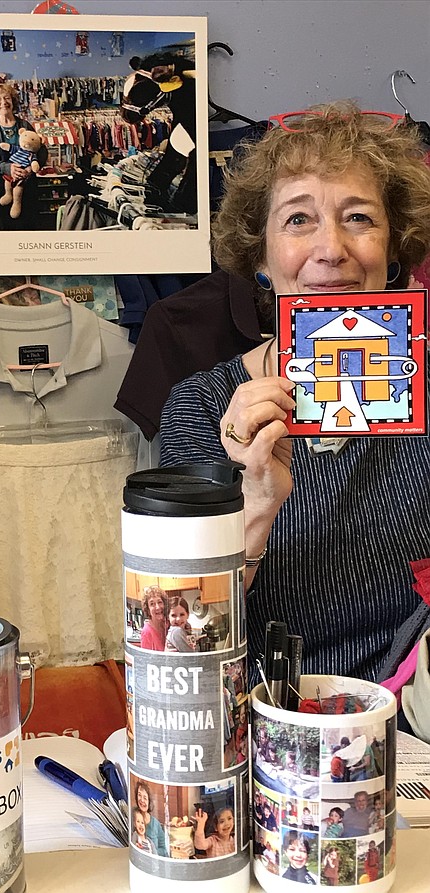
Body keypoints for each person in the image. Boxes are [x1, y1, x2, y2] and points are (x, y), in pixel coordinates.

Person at [159, 101, 430, 684]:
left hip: (411, 716)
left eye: (359, 217)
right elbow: (176, 634)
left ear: (394, 244)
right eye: (299, 220)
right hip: (262, 722)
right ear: (260, 255)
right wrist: (253, 505)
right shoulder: (202, 405)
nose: (331, 248)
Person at [0, 84, 44, 229]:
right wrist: (7, 168)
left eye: (7, 98)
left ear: (13, 101)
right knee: (7, 224)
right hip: (2, 185)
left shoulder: (24, 125)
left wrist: (29, 168)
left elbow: (41, 151)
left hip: (26, 184)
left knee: (29, 224)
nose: (3, 102)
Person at [134, 780, 169, 857]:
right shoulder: (132, 816)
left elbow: (164, 849)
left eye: (145, 798)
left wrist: (152, 851)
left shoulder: (155, 824)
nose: (142, 800)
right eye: (139, 795)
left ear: (149, 801)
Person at [139, 585, 169, 651]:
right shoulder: (147, 632)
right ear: (148, 609)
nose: (157, 607)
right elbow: (146, 660)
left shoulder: (167, 625)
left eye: (160, 602)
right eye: (152, 604)